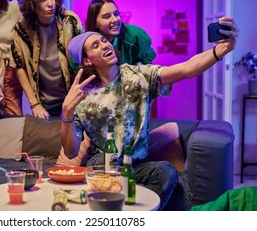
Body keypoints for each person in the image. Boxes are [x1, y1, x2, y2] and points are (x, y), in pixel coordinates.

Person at [60, 17, 238, 210]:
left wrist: (219, 51)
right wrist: (66, 113)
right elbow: (71, 151)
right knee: (105, 175)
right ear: (87, 60)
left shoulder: (139, 75)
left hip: (137, 167)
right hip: (102, 166)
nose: (104, 45)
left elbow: (186, 69)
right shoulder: (81, 96)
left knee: (166, 171)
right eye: (95, 45)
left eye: (103, 40)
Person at [12, 0, 82, 120]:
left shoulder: (70, 21)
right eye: (43, 0)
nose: (50, 4)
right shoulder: (22, 28)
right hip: (45, 100)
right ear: (32, 3)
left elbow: (82, 58)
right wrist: (34, 104)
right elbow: (18, 67)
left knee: (75, 137)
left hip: (72, 94)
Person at [84, 0, 156, 66]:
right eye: (107, 16)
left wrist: (134, 72)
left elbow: (147, 60)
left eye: (116, 14)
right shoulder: (84, 43)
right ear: (95, 23)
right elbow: (76, 67)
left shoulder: (135, 36)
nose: (115, 19)